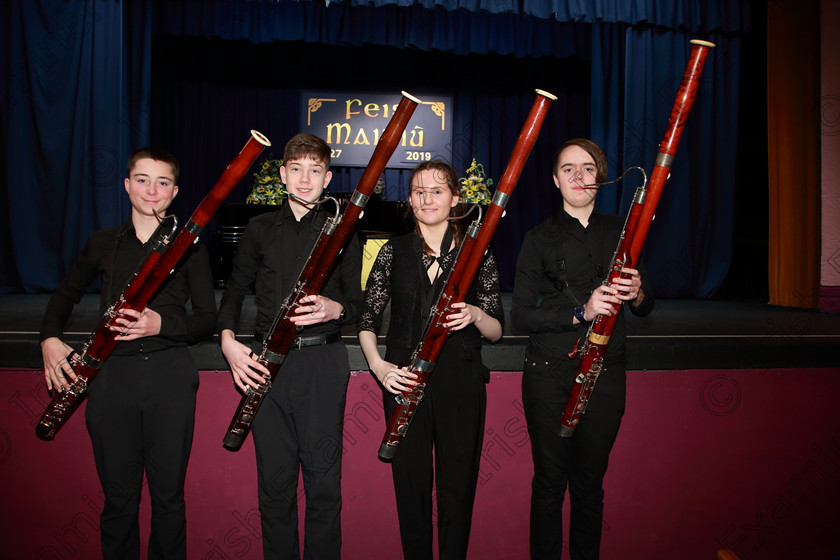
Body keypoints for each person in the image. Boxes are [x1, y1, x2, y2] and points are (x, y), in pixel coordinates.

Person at [40, 147, 218, 559]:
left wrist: (162, 325)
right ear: (126, 185)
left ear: (174, 192)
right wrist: (49, 337)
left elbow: (207, 318)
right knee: (118, 501)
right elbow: (65, 295)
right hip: (112, 379)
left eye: (162, 183)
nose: (151, 191)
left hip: (169, 377)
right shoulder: (102, 243)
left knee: (169, 499)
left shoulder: (190, 246)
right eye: (142, 180)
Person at [219, 133, 362, 560]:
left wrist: (334, 307)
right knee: (275, 487)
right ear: (282, 175)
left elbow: (357, 304)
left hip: (323, 364)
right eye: (296, 169)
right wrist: (228, 343)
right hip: (267, 367)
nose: (305, 179)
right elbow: (231, 295)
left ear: (327, 178)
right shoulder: (259, 229)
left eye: (315, 171)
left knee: (323, 486)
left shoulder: (343, 230)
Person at [511, 138, 655, 560]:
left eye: (588, 168)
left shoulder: (624, 232)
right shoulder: (538, 238)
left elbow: (646, 308)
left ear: (600, 177)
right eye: (568, 169)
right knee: (550, 483)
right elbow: (520, 315)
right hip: (548, 371)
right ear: (555, 181)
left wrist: (638, 293)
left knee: (590, 486)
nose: (578, 175)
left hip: (605, 373)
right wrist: (581, 311)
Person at [358, 160, 503, 560]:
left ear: (455, 198)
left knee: (458, 488)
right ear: (409, 199)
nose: (427, 199)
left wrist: (475, 314)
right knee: (411, 488)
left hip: (461, 381)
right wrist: (378, 366)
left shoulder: (477, 252)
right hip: (403, 381)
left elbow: (497, 330)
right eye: (419, 191)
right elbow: (367, 320)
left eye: (437, 191)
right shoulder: (392, 251)